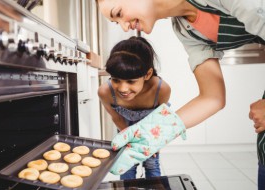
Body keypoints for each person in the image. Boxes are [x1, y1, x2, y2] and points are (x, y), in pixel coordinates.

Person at [96, 0, 265, 188]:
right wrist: (156, 132)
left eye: (119, 13)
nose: (124, 26)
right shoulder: (185, 30)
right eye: (115, 22)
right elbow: (212, 97)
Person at [98, 36, 171, 179]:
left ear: (147, 74)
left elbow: (160, 119)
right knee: (126, 166)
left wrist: (151, 142)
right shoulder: (105, 92)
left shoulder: (161, 89)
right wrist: (129, 139)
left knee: (152, 164)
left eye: (131, 81)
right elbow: (116, 117)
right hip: (125, 129)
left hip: (151, 131)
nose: (123, 88)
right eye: (116, 79)